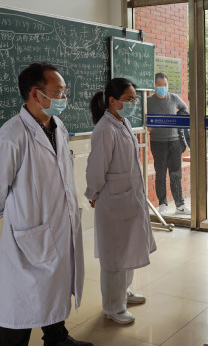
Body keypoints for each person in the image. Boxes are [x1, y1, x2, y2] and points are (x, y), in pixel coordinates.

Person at [0, 63, 92, 346]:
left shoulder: (58, 126)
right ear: (35, 93)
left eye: (64, 91)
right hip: (28, 233)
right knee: (22, 301)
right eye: (58, 91)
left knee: (54, 286)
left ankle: (56, 337)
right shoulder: (12, 135)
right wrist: (14, 215)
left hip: (58, 226)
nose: (64, 97)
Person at [85, 78, 157, 325]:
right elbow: (96, 167)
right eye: (129, 99)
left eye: (135, 99)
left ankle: (124, 292)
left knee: (128, 248)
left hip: (128, 197)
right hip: (113, 201)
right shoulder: (105, 129)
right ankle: (113, 307)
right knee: (114, 256)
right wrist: (93, 193)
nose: (133, 104)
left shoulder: (122, 122)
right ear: (112, 101)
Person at [147, 73, 190, 214]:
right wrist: (148, 125)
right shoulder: (148, 101)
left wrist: (178, 120)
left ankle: (180, 205)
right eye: (159, 85)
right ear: (154, 85)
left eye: (165, 84)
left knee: (176, 174)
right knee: (160, 174)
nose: (163, 87)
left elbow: (184, 108)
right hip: (157, 143)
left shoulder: (174, 98)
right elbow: (142, 117)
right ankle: (162, 204)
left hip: (174, 142)